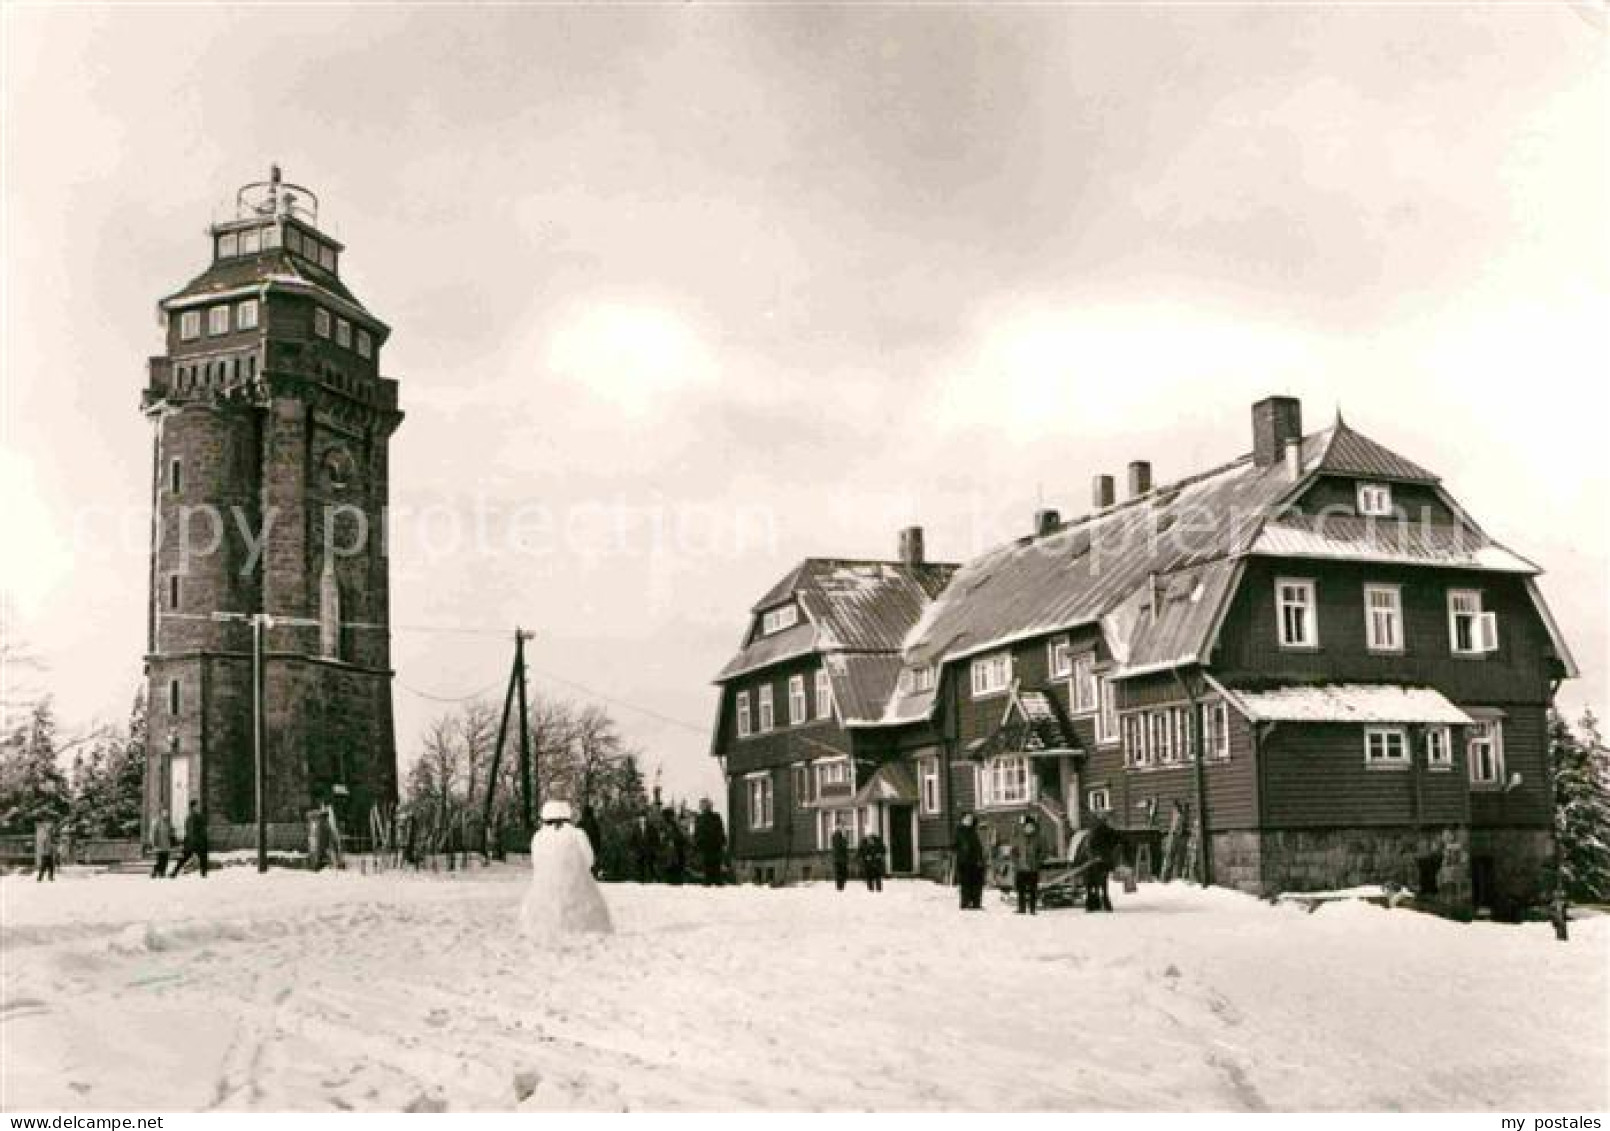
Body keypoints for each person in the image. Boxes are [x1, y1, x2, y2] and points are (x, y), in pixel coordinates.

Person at [519, 800, 613, 941]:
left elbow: (536, 862)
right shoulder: (578, 834)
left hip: (545, 888)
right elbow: (589, 858)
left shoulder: (538, 837)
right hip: (576, 887)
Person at [1012, 813, 1044, 915]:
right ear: (1024, 827)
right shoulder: (1019, 838)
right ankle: (1021, 908)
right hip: (1020, 868)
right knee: (1020, 890)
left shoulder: (1039, 838)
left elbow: (1044, 852)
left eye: (1031, 826)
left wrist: (1038, 861)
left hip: (1033, 868)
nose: (1029, 828)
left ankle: (1032, 909)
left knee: (1033, 890)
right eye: (1027, 826)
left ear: (1034, 827)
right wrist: (1016, 862)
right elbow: (1013, 851)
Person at [1085, 812, 1117, 913]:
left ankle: (1094, 901)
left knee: (1097, 879)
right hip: (1099, 857)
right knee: (1100, 879)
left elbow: (1112, 842)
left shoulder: (1100, 831)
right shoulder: (1101, 831)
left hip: (1099, 857)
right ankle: (1101, 900)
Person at [170, 799, 209, 878]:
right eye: (197, 805)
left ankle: (174, 873)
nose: (198, 807)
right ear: (193, 807)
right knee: (202, 857)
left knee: (185, 858)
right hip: (196, 842)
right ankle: (204, 874)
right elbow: (193, 830)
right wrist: (198, 841)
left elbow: (192, 830)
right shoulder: (194, 817)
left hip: (191, 842)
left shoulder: (190, 817)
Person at [954, 813, 986, 910]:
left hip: (975, 861)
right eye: (967, 819)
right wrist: (961, 852)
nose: (969, 821)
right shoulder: (959, 832)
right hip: (964, 862)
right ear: (962, 820)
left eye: (970, 819)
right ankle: (965, 903)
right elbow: (955, 845)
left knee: (976, 883)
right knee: (965, 883)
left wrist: (980, 859)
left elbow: (978, 847)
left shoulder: (974, 832)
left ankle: (976, 903)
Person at [693, 798, 727, 886]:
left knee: (716, 869)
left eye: (705, 805)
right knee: (706, 869)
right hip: (704, 848)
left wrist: (722, 842)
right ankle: (708, 886)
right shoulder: (699, 818)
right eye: (702, 805)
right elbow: (696, 833)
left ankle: (718, 885)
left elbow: (720, 830)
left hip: (715, 847)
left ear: (710, 806)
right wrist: (696, 844)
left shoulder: (716, 817)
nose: (703, 807)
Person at [658, 808, 688, 885]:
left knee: (676, 876)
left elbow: (683, 838)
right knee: (671, 877)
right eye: (671, 815)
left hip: (677, 854)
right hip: (670, 856)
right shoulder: (664, 826)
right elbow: (661, 840)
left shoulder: (676, 826)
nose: (673, 817)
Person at [629, 813, 660, 883]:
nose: (642, 819)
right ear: (638, 819)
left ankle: (653, 879)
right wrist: (633, 849)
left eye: (643, 818)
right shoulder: (636, 828)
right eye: (640, 818)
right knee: (640, 866)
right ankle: (641, 880)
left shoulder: (651, 827)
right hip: (640, 851)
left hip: (649, 851)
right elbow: (632, 839)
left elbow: (656, 839)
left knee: (651, 865)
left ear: (646, 818)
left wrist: (654, 848)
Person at [578, 804, 603, 876]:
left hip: (582, 852)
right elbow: (598, 840)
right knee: (591, 872)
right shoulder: (594, 824)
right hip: (592, 851)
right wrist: (597, 851)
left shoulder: (580, 823)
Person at [150, 809, 173, 879]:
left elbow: (171, 833)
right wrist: (154, 843)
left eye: (167, 813)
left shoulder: (168, 823)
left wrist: (172, 834)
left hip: (167, 844)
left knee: (165, 859)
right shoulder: (157, 823)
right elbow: (154, 833)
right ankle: (155, 871)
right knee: (160, 860)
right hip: (159, 844)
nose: (166, 814)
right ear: (161, 814)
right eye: (164, 813)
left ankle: (162, 872)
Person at [830, 825, 851, 891]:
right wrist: (844, 837)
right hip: (839, 859)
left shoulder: (839, 837)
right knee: (840, 873)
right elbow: (842, 846)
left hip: (841, 858)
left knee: (842, 873)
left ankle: (841, 886)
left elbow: (845, 846)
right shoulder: (837, 837)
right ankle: (840, 887)